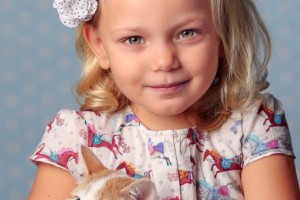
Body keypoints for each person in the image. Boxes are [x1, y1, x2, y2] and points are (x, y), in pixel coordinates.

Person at [28, 0, 300, 199]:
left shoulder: (254, 123)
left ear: (222, 34)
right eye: (134, 39)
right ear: (99, 45)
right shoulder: (75, 137)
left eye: (187, 33)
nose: (164, 61)